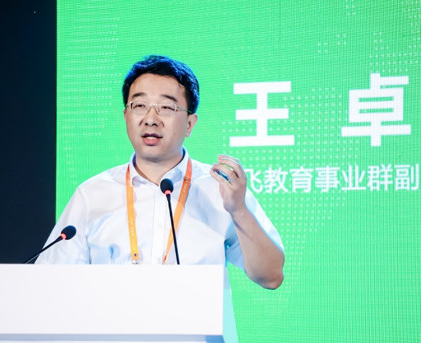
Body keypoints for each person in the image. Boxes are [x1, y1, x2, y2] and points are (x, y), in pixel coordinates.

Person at [36, 55, 284, 290]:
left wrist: (239, 210)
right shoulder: (92, 195)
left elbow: (271, 277)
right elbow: (48, 284)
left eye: (166, 107)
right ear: (126, 116)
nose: (150, 119)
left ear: (189, 124)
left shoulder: (220, 190)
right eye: (139, 105)